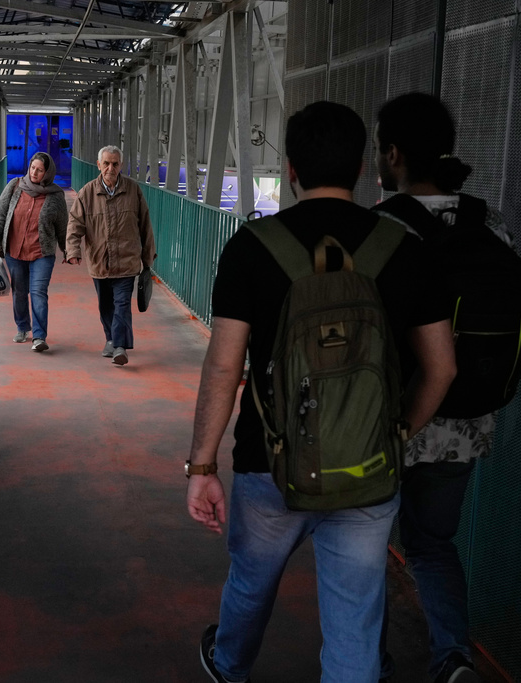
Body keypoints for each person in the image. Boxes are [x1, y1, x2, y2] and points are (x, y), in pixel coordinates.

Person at [186, 101, 458, 683]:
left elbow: (223, 367)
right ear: (361, 167)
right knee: (355, 618)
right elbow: (442, 369)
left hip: (269, 464)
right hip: (368, 467)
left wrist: (202, 465)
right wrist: (395, 433)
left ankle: (229, 666)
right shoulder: (405, 248)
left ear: (290, 169)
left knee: (251, 583)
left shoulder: (251, 247)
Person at [373, 92, 514, 683]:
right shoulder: (491, 225)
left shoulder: (383, 227)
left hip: (389, 419)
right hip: (465, 422)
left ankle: (367, 663)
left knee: (364, 548)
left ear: (394, 154)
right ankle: (452, 658)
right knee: (432, 545)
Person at [65, 145, 156, 366]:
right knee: (106, 306)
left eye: (115, 164)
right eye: (106, 163)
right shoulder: (87, 193)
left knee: (122, 303)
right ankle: (111, 339)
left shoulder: (133, 191)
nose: (110, 168)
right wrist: (73, 250)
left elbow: (145, 225)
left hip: (127, 260)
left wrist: (147, 258)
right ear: (99, 165)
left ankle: (119, 346)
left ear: (121, 165)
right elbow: (75, 224)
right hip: (100, 261)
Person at [0, 152, 69, 352]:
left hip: (42, 253)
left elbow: (62, 226)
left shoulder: (55, 196)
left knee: (38, 292)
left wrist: (68, 250)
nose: (34, 173)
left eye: (40, 170)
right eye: (32, 168)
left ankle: (39, 336)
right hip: (15, 251)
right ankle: (22, 327)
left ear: (48, 173)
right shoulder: (15, 186)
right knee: (20, 292)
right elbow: (0, 214)